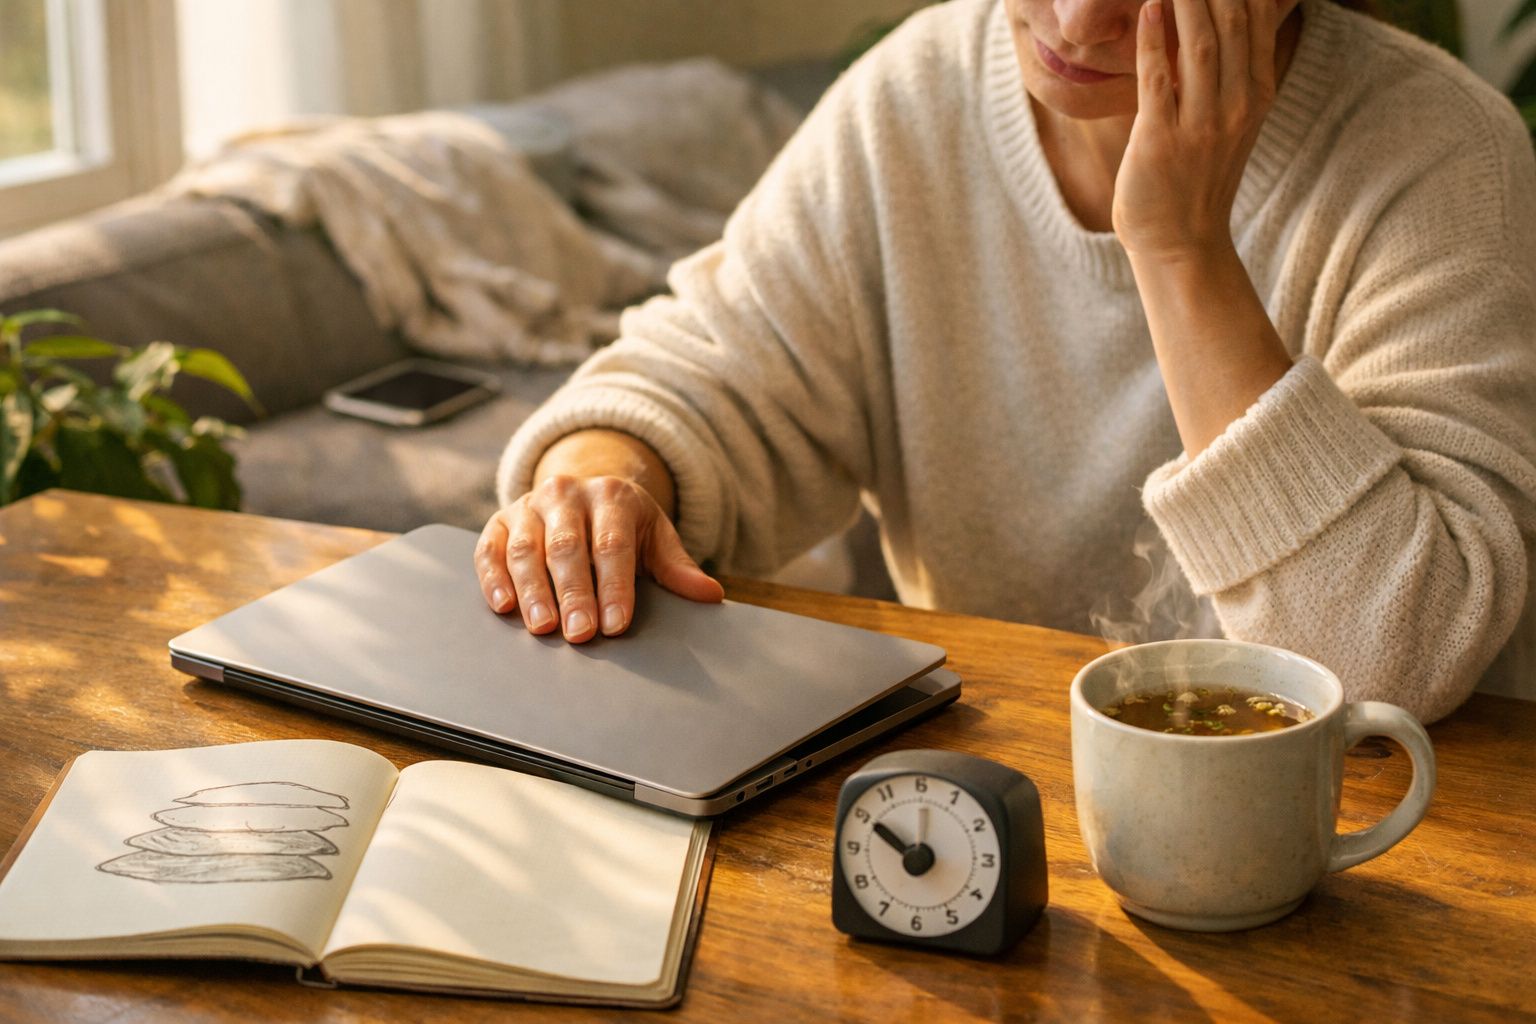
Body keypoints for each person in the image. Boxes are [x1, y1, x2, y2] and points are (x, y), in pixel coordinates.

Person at [475, 0, 1536, 723]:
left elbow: (1394, 658)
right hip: (990, 797)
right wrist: (600, 488)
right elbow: (702, 374)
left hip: (1359, 860)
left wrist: (1178, 248)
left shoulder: (1442, 156)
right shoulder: (918, 92)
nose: (1073, 23)